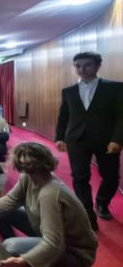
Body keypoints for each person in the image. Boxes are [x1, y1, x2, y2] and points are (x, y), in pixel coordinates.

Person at [0, 142, 98, 267]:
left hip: (74, 253)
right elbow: (11, 199)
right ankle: (14, 257)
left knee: (10, 245)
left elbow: (54, 243)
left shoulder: (50, 193)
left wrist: (26, 259)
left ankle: (19, 256)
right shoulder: (29, 177)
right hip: (48, 233)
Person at [55, 51, 123, 230]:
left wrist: (118, 139)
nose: (82, 69)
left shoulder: (115, 87)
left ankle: (101, 202)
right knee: (80, 177)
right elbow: (63, 116)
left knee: (111, 176)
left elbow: (120, 116)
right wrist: (59, 137)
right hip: (77, 140)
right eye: (78, 66)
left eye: (87, 65)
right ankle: (87, 212)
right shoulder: (68, 91)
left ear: (97, 66)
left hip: (106, 140)